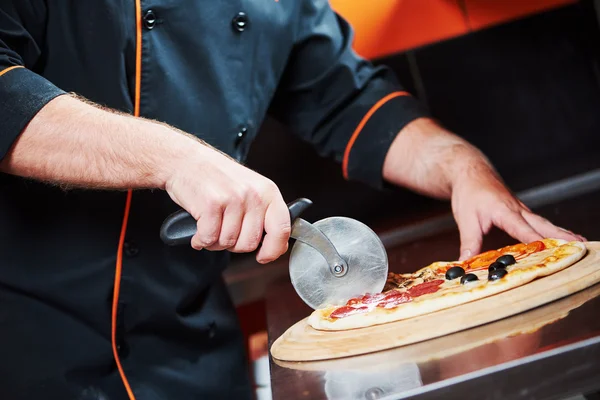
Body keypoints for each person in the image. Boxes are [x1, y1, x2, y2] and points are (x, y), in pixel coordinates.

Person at [0, 1, 583, 399]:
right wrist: (178, 159)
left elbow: (346, 98)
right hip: (33, 349)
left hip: (196, 356)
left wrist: (461, 168)